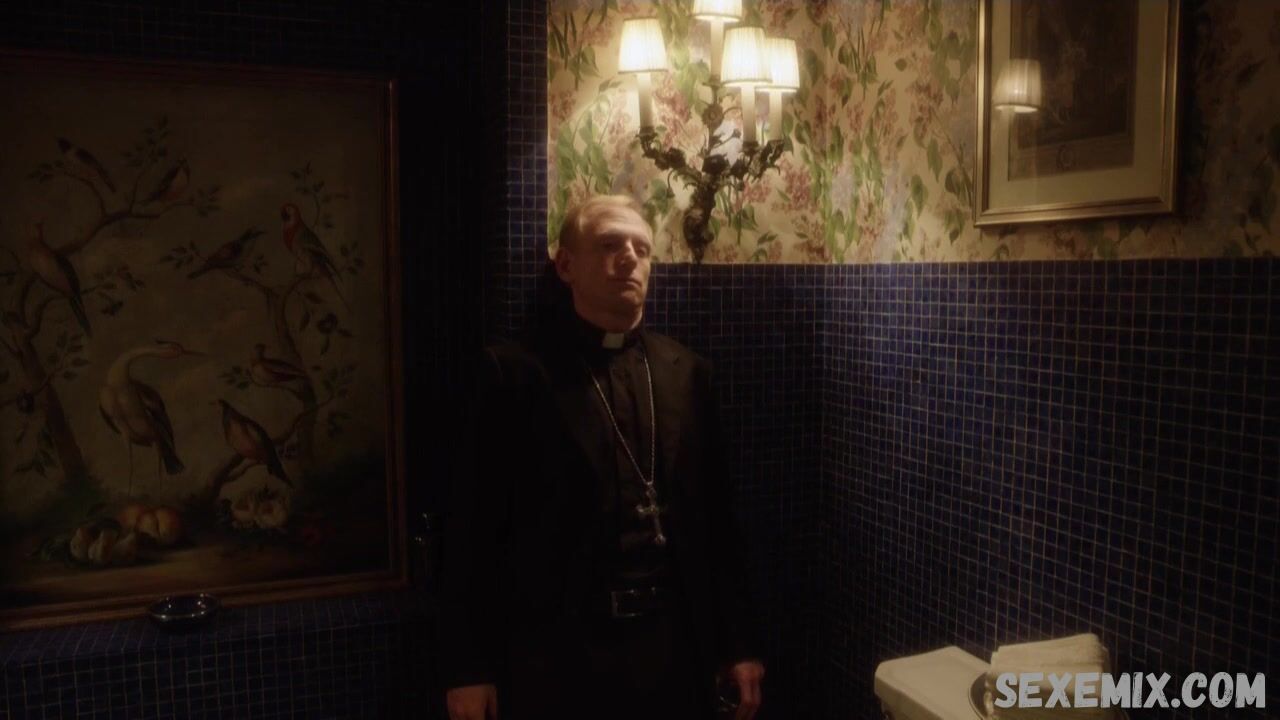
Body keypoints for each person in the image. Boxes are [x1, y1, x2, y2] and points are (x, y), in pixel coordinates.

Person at [438, 194, 764, 720]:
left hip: (674, 648)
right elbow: (472, 529)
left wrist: (738, 643)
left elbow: (718, 521)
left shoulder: (687, 372)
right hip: (560, 656)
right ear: (566, 265)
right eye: (610, 244)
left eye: (642, 248)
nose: (629, 257)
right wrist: (468, 668)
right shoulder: (514, 375)